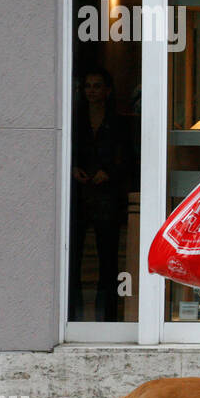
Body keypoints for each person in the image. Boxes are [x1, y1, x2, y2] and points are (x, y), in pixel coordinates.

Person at [69, 68, 130, 321]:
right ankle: (72, 315)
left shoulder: (117, 120)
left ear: (107, 90)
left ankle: (108, 319)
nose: (91, 91)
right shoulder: (75, 118)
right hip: (79, 195)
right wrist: (73, 169)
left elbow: (127, 157)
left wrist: (110, 172)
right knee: (73, 257)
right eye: (88, 86)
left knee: (108, 259)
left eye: (96, 86)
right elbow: (67, 149)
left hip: (108, 196)